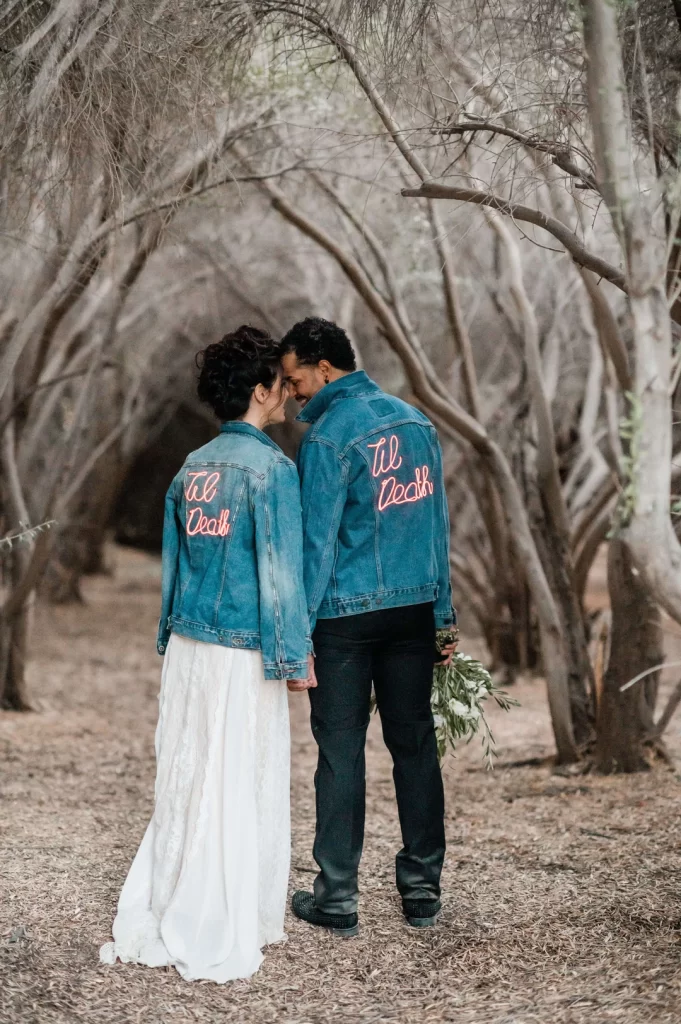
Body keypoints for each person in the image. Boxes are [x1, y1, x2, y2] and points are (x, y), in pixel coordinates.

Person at [100, 325, 315, 983]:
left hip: (190, 647)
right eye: (280, 383)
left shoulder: (191, 467)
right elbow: (279, 573)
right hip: (242, 652)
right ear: (258, 389)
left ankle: (175, 895)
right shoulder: (272, 470)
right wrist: (293, 657)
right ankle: (225, 912)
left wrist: (170, 632)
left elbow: (174, 569)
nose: (287, 394)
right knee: (235, 772)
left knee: (192, 775)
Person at [279, 317, 456, 938]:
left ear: (325, 367)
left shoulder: (326, 440)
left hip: (344, 620)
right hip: (412, 612)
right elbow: (437, 531)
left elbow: (314, 547)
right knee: (414, 748)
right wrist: (442, 617)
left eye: (296, 377)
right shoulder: (417, 424)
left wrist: (296, 638)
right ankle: (422, 892)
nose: (294, 391)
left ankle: (337, 898)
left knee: (341, 750)